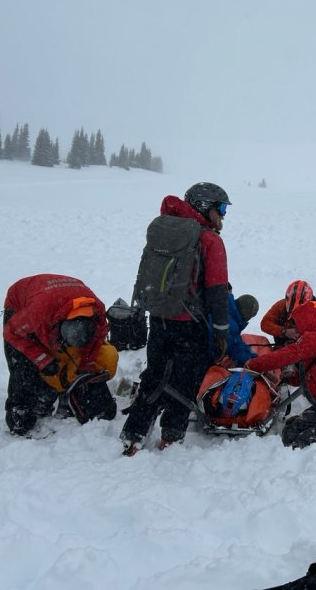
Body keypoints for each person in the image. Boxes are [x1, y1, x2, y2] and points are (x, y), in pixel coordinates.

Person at [120, 182, 231, 455]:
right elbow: (217, 291)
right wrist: (221, 331)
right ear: (206, 207)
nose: (224, 216)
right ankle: (170, 436)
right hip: (190, 323)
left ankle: (134, 433)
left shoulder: (166, 231)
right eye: (222, 209)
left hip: (159, 317)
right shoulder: (209, 240)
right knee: (185, 380)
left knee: (154, 375)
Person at [2, 274, 118, 436]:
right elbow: (11, 333)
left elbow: (94, 345)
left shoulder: (98, 317)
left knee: (71, 359)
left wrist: (85, 369)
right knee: (24, 366)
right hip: (22, 304)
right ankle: (20, 409)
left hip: (57, 299)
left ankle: (56, 390)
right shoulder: (37, 314)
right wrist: (42, 359)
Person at [246, 297, 316, 448]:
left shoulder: (314, 336)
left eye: (296, 323)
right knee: (292, 428)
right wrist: (287, 380)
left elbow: (285, 355)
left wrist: (253, 364)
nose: (296, 328)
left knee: (298, 435)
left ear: (304, 319)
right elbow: (309, 371)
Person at [260, 279, 315, 347]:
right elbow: (265, 324)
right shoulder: (281, 306)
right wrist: (284, 331)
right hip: (282, 347)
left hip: (305, 349)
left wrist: (305, 335)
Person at [211, 292, 260, 367]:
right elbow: (237, 349)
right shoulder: (230, 324)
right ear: (246, 314)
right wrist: (256, 361)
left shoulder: (224, 309)